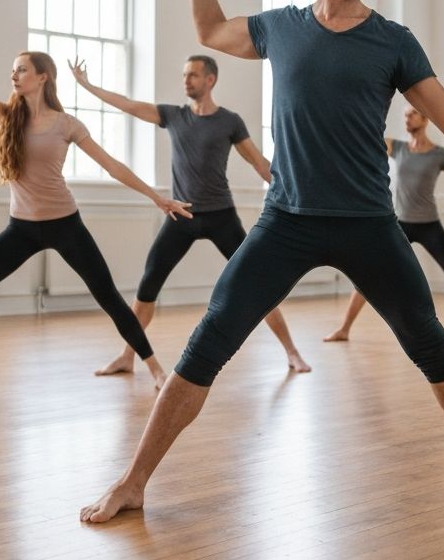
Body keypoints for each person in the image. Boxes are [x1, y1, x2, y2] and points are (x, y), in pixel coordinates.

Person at [80, 0, 444, 524]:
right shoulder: (280, 28)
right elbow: (209, 29)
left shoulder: (393, 41)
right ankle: (134, 480)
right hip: (287, 221)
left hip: (368, 222)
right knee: (207, 341)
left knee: (432, 347)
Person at [0, 10, 191, 397]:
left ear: (42, 77)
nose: (14, 75)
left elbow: (112, 165)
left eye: (21, 70)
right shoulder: (6, 117)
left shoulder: (66, 125)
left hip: (66, 225)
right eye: (13, 71)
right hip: (22, 229)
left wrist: (157, 197)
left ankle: (156, 370)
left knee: (109, 297)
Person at [68, 53, 310, 383]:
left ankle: (292, 352)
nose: (186, 80)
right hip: (181, 214)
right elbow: (128, 105)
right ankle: (128, 355)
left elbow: (257, 161)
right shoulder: (173, 116)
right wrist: (88, 85)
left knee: (257, 284)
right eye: (184, 74)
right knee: (148, 285)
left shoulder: (230, 121)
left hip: (222, 216)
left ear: (210, 80)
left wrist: (294, 192)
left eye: (193, 74)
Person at [324, 103, 444, 343]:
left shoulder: (439, 155)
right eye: (405, 114)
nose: (407, 119)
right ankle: (344, 328)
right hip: (399, 226)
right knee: (369, 275)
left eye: (412, 115)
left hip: (430, 226)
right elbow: (364, 140)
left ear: (426, 119)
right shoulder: (396, 147)